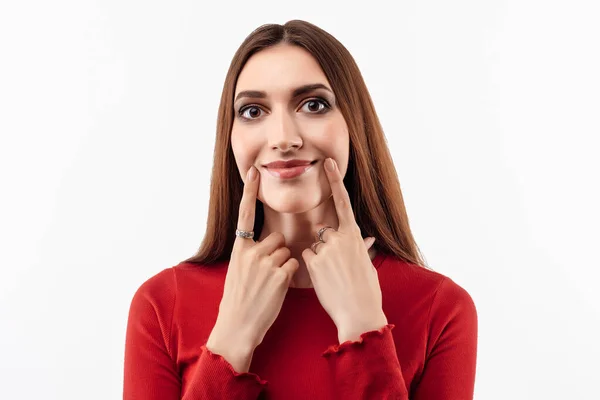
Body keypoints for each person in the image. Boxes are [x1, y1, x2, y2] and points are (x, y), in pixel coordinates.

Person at [123, 20, 478, 400]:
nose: (283, 139)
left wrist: (363, 329)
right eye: (253, 111)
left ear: (354, 125)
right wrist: (231, 339)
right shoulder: (163, 304)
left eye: (314, 104)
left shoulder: (440, 308)